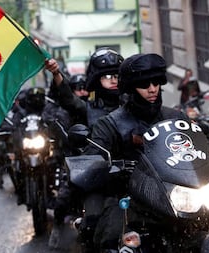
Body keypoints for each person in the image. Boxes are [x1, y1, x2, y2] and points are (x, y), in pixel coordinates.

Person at [81, 53, 187, 251]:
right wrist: (105, 166)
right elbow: (92, 158)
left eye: (156, 82)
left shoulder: (176, 118)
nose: (152, 88)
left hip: (176, 195)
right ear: (130, 88)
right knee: (110, 237)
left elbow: (203, 147)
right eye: (144, 84)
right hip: (130, 197)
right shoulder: (110, 124)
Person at [44, 47, 124, 249]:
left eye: (117, 75)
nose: (113, 80)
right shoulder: (88, 108)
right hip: (99, 177)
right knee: (92, 222)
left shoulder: (133, 106)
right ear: (97, 79)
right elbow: (68, 99)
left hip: (134, 174)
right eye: (107, 76)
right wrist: (56, 73)